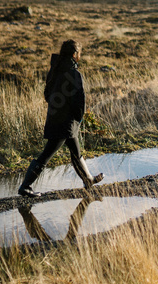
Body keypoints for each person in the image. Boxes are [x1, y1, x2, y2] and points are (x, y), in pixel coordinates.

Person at [19, 39, 104, 197]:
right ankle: (25, 186)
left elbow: (47, 95)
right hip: (66, 123)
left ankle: (88, 180)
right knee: (47, 154)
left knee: (75, 152)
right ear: (74, 54)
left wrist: (57, 107)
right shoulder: (74, 74)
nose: (80, 56)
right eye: (79, 54)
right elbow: (80, 102)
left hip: (55, 118)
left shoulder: (55, 70)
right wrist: (78, 119)